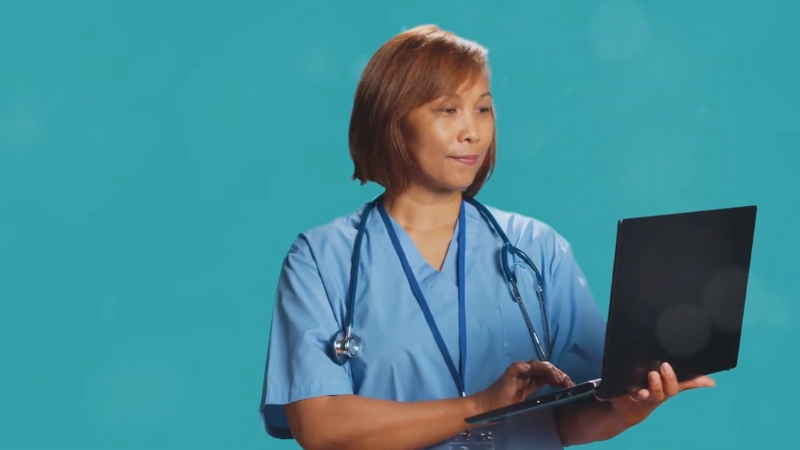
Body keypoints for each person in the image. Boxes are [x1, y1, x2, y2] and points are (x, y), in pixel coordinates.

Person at [258, 25, 715, 450]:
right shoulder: (322, 259)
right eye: (448, 110)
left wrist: (628, 409)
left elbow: (568, 418)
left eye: (482, 108)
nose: (472, 132)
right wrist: (478, 405)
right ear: (392, 121)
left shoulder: (536, 248)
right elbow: (319, 426)